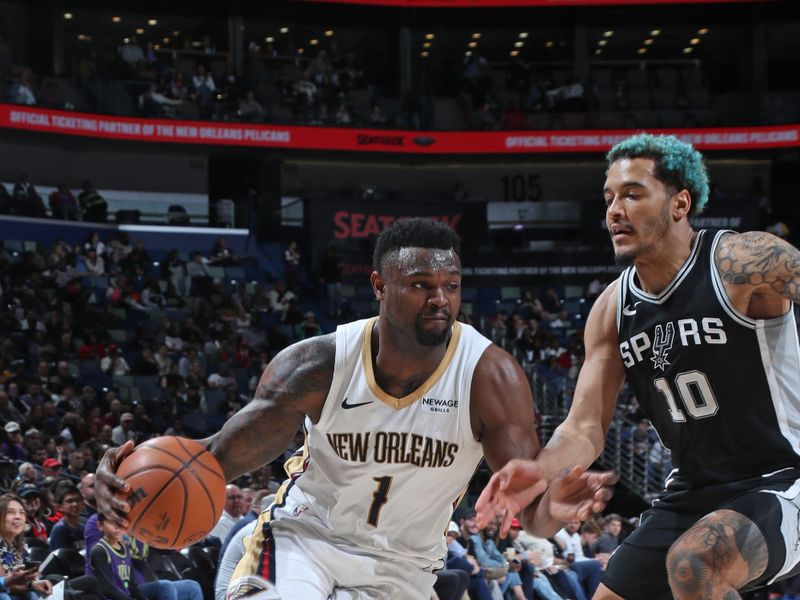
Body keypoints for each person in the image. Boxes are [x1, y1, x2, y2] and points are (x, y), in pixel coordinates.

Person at [95, 218, 613, 600]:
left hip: (404, 570)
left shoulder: (488, 377)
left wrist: (553, 513)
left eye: (450, 286)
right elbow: (209, 462)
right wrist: (122, 487)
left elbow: (528, 511)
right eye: (420, 286)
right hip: (305, 543)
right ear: (379, 286)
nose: (440, 300)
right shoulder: (317, 366)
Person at [477, 133, 800, 599]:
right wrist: (540, 467)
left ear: (680, 203)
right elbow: (584, 428)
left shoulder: (742, 262)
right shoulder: (612, 308)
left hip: (782, 480)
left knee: (696, 562)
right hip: (691, 491)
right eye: (608, 198)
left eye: (632, 194)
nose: (614, 210)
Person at [0, 494, 53, 600]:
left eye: (22, 513)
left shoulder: (20, 543)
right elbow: (5, 583)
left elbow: (19, 583)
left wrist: (32, 584)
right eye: (11, 512)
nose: (18, 517)